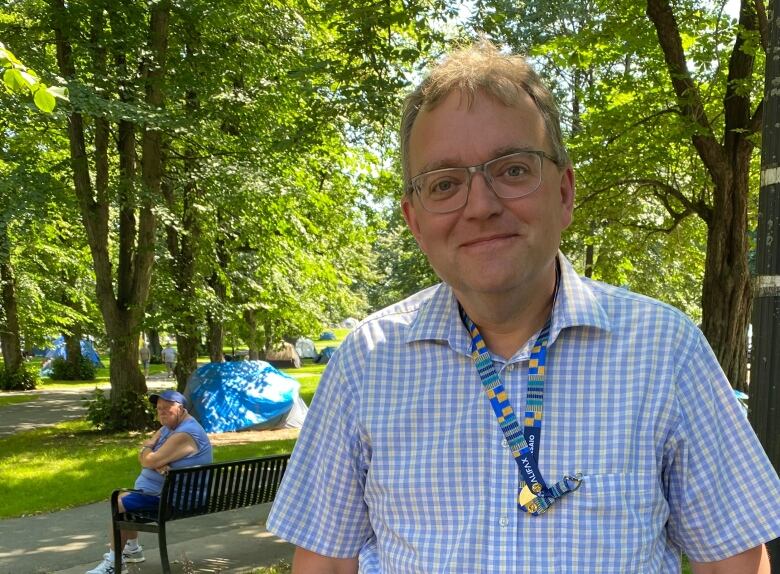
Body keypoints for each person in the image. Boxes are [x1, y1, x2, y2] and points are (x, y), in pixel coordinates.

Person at [267, 42, 780, 573]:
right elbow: (324, 564)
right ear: (415, 220)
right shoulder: (365, 364)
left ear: (564, 192)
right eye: (444, 184)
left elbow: (734, 562)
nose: (482, 206)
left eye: (512, 170)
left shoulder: (664, 352)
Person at [85, 390, 212, 574]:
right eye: (159, 408)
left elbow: (147, 459)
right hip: (164, 492)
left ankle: (114, 564)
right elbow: (153, 458)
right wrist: (155, 459)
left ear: (181, 409)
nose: (161, 412)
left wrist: (148, 447)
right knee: (125, 497)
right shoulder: (171, 426)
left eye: (167, 408)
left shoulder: (186, 433)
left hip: (172, 499)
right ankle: (132, 550)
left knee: (118, 503)